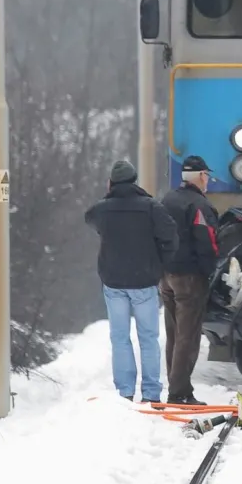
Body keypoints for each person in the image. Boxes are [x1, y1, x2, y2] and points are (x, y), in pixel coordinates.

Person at [85, 159, 178, 404]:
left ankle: (124, 392)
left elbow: (90, 218)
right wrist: (160, 263)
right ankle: (151, 393)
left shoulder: (102, 209)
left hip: (114, 282)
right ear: (135, 181)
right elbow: (170, 235)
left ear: (111, 183)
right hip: (144, 281)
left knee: (119, 337)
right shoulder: (151, 207)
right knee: (148, 338)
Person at [160, 155, 220, 405]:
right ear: (202, 176)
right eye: (207, 176)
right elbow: (208, 241)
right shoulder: (199, 205)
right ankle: (180, 393)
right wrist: (210, 271)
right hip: (189, 278)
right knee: (188, 335)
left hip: (166, 276)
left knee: (173, 334)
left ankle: (175, 386)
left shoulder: (167, 199)